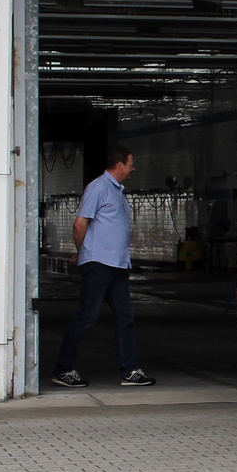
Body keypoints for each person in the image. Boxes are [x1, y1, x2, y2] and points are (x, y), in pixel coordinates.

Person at [50, 147, 155, 387]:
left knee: (125, 316)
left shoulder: (116, 191)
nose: (133, 168)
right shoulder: (98, 187)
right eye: (131, 164)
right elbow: (80, 224)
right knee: (87, 316)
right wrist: (82, 252)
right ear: (119, 165)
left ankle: (130, 370)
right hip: (99, 264)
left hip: (117, 265)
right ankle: (62, 369)